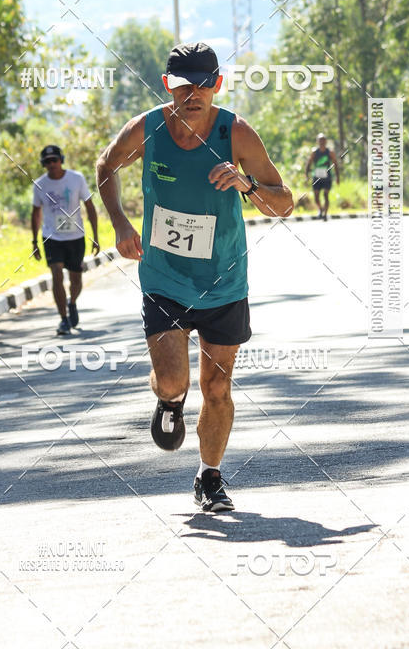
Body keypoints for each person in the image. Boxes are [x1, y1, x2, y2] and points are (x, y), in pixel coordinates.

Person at [96, 43, 293, 512]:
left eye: (204, 83)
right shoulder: (147, 129)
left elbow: (283, 202)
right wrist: (121, 224)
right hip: (164, 276)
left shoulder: (236, 132)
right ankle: (169, 402)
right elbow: (106, 164)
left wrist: (247, 184)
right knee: (171, 380)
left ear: (217, 85)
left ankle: (210, 476)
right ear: (169, 86)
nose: (194, 93)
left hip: (224, 279)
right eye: (184, 84)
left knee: (218, 387)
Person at [31, 144, 99, 336]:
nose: (52, 164)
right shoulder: (40, 184)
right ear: (43, 165)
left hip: (75, 237)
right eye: (47, 162)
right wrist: (34, 242)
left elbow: (89, 206)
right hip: (52, 237)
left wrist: (95, 236)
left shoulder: (76, 179)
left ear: (61, 160)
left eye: (55, 160)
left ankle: (72, 303)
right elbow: (35, 214)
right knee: (56, 275)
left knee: (76, 279)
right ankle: (63, 319)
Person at [305, 133, 339, 221]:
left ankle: (325, 214)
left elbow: (335, 164)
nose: (322, 142)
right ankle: (320, 209)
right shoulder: (314, 152)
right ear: (317, 141)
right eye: (320, 140)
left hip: (327, 177)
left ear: (326, 141)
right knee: (316, 197)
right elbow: (309, 163)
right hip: (316, 177)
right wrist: (306, 175)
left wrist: (337, 177)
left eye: (323, 140)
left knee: (325, 195)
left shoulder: (330, 152)